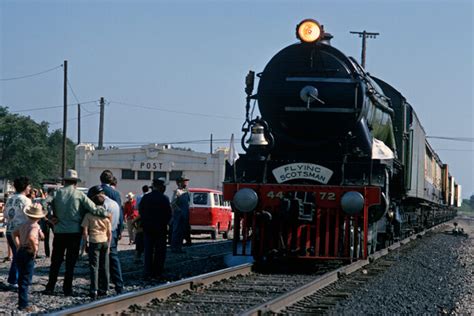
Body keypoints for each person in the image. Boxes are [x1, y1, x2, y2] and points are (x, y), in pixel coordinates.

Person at [44, 169, 109, 296]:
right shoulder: (79, 195)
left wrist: (50, 217)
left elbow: (43, 203)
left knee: (56, 261)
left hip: (59, 231)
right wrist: (106, 214)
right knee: (70, 262)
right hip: (74, 232)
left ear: (64, 181)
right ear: (75, 182)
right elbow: (94, 208)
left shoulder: (56, 193)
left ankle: (50, 286)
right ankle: (67, 288)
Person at [13, 203, 46, 312]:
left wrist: (18, 245)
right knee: (26, 280)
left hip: (21, 251)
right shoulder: (35, 226)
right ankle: (24, 304)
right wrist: (34, 249)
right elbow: (32, 237)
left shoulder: (24, 224)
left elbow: (14, 233)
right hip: (28, 252)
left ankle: (22, 302)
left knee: (22, 278)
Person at [82, 186, 112, 299]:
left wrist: (85, 244)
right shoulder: (107, 215)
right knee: (105, 266)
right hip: (104, 241)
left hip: (94, 241)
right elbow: (109, 233)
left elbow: (85, 232)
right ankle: (105, 288)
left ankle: (94, 289)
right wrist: (109, 245)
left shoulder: (88, 215)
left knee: (94, 266)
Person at [139, 178, 172, 278]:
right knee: (160, 251)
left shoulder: (146, 198)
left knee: (148, 250)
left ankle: (147, 271)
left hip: (148, 228)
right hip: (161, 229)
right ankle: (158, 271)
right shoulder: (164, 198)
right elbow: (169, 214)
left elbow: (141, 211)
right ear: (161, 187)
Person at [99, 169, 124, 294]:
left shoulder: (95, 191)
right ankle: (118, 284)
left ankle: (101, 285)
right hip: (112, 229)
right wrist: (120, 230)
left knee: (98, 258)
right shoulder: (115, 194)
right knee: (113, 257)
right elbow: (120, 213)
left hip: (96, 230)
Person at [4, 176, 32, 289]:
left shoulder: (10, 198)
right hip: (20, 232)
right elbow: (29, 216)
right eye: (29, 186)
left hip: (9, 229)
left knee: (16, 255)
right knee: (20, 256)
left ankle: (12, 279)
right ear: (25, 187)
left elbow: (5, 214)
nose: (30, 188)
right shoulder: (26, 200)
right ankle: (15, 280)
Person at [170, 175, 191, 253]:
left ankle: (179, 248)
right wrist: (179, 210)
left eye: (186, 181)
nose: (186, 183)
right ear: (179, 183)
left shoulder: (186, 192)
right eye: (184, 181)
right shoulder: (177, 192)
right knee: (176, 231)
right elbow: (173, 203)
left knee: (182, 232)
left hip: (185, 216)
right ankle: (174, 247)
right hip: (178, 216)